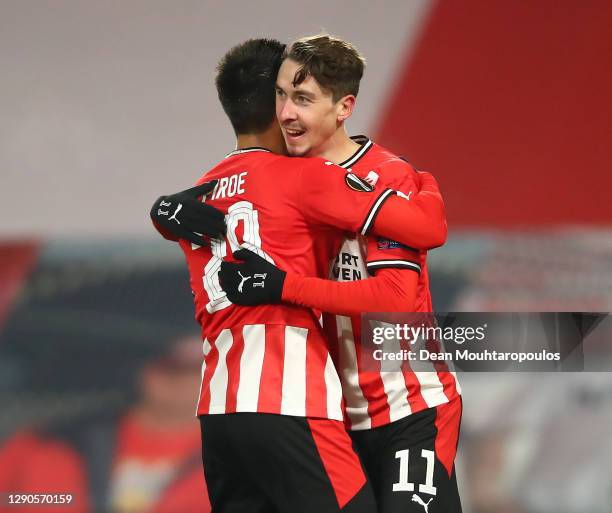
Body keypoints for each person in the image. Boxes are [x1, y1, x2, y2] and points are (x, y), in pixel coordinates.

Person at [150, 38, 448, 513]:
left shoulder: (201, 194)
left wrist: (161, 210)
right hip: (304, 404)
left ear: (343, 107)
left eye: (302, 97)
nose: (289, 112)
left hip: (390, 406)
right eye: (284, 96)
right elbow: (427, 226)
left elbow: (400, 286)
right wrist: (427, 187)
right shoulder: (302, 177)